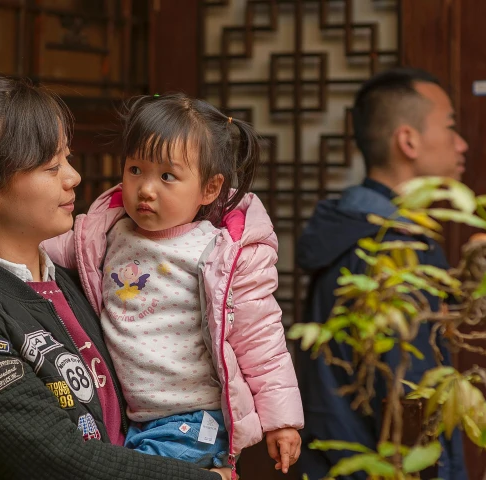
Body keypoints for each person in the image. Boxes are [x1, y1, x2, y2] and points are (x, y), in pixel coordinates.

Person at [0, 75, 232, 479]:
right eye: (52, 166)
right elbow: (57, 459)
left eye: (66, 159)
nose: (73, 177)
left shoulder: (75, 279)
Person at [42, 93, 305, 476]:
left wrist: (280, 419)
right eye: (135, 170)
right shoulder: (105, 233)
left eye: (167, 176)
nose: (146, 189)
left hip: (194, 417)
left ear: (209, 189)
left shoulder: (218, 252)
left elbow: (261, 339)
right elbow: (38, 248)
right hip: (133, 415)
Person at [293, 68, 469, 479]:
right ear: (407, 140)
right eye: (450, 127)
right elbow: (410, 396)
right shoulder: (392, 248)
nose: (462, 144)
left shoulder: (357, 229)